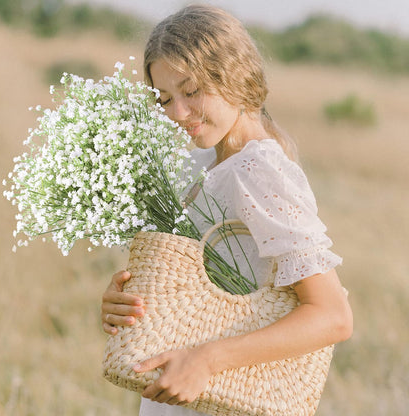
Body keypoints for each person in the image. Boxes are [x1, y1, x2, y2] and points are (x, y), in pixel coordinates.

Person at [101, 4, 353, 415]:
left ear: (234, 75)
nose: (178, 114)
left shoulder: (260, 171)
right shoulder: (203, 164)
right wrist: (129, 302)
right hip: (182, 392)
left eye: (192, 90)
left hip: (222, 393)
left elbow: (333, 316)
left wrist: (207, 359)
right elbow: (197, 288)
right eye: (165, 98)